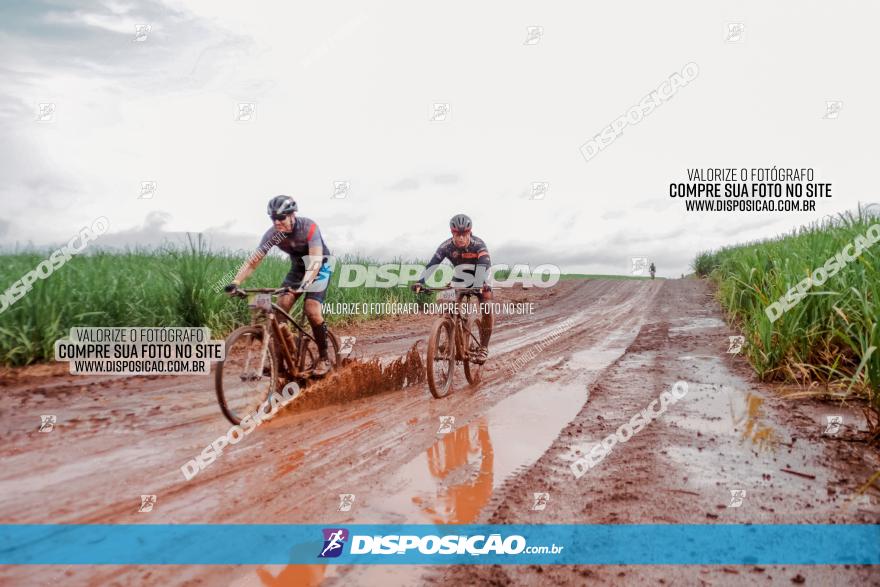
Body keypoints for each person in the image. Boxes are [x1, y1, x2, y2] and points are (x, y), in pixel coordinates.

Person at [225, 195, 333, 376]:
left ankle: (324, 358)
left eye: (281, 217)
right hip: (298, 270)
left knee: (312, 310)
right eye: (273, 218)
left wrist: (305, 284)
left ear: (293, 215)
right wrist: (236, 282)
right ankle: (280, 363)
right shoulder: (273, 234)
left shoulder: (309, 227)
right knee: (279, 312)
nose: (277, 222)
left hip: (320, 267)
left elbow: (314, 260)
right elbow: (253, 262)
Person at [411, 214, 493, 364]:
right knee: (447, 301)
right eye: (457, 234)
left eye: (464, 234)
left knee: (486, 306)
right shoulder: (446, 246)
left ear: (470, 232)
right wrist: (420, 282)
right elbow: (432, 265)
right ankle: (451, 337)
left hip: (482, 274)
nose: (461, 238)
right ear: (452, 233)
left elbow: (484, 263)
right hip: (461, 276)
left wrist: (480, 283)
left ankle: (484, 347)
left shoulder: (478, 244)